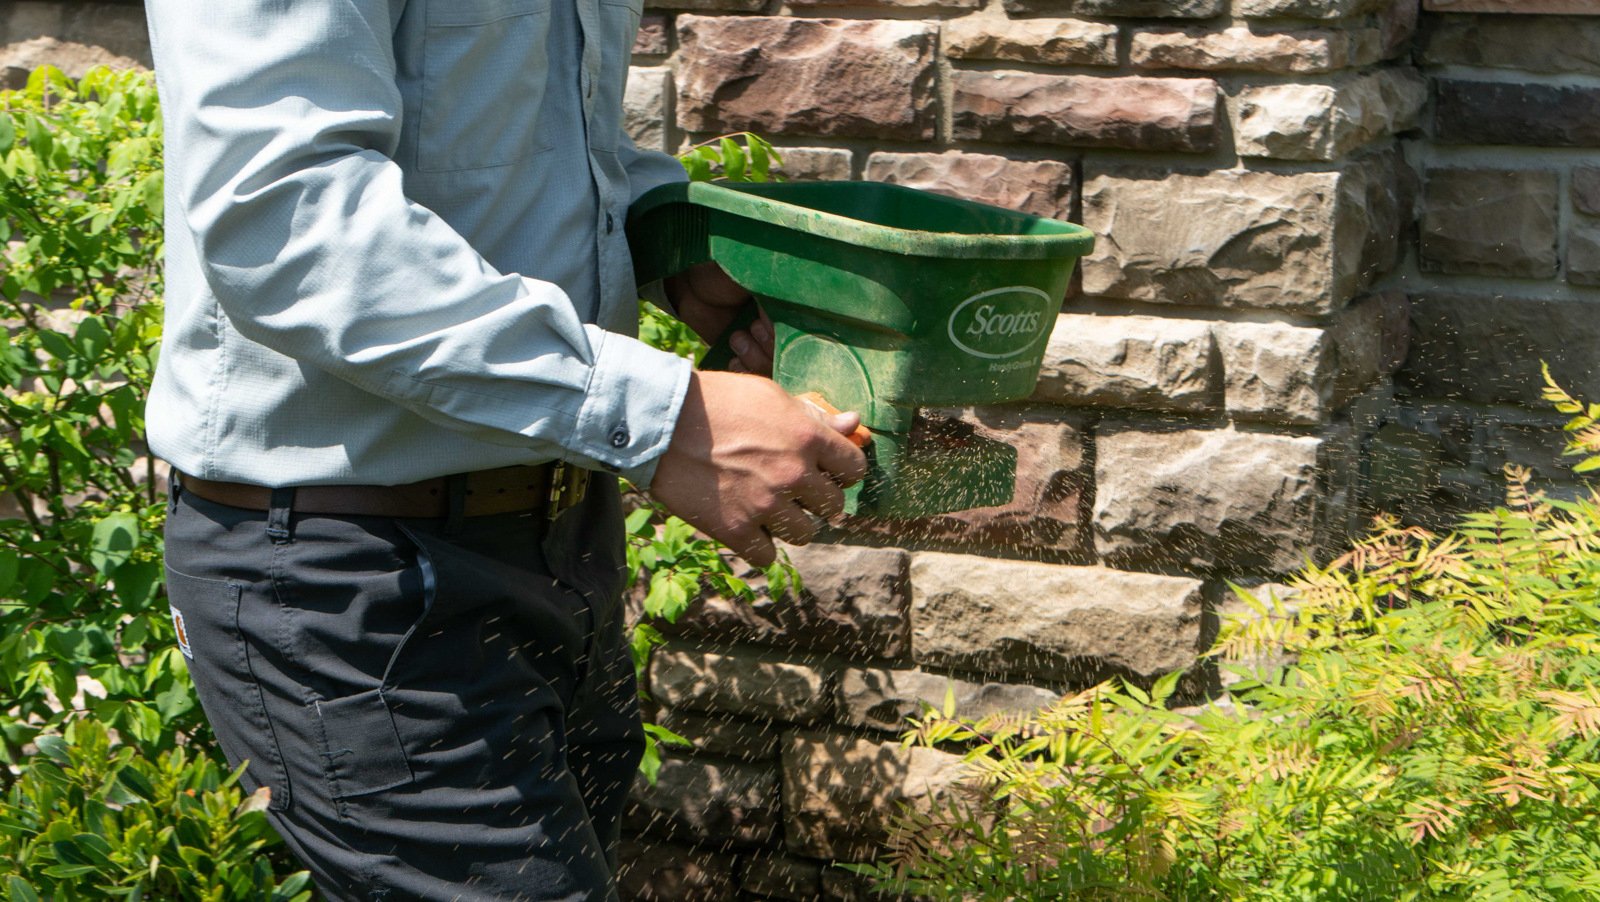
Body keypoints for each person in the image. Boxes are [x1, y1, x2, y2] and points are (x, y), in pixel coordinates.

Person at [143, 1, 868, 898]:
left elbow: (543, 153)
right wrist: (664, 414)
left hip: (558, 538)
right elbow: (286, 221)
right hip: (355, 568)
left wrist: (680, 251)